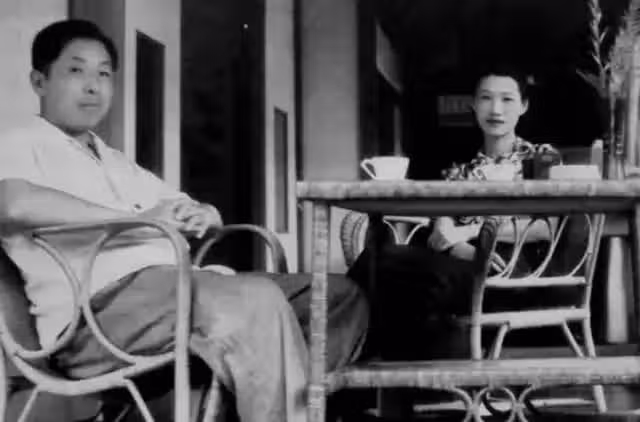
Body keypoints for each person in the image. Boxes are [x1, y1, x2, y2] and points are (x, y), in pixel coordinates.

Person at [0, 19, 368, 422]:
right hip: (96, 317)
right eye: (76, 70)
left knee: (337, 297)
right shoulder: (20, 141)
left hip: (175, 292)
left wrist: (202, 214)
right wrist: (136, 220)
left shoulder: (114, 160)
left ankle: (256, 411)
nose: (93, 86)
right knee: (254, 300)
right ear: (39, 81)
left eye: (104, 74)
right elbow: (13, 204)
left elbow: (183, 205)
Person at [348, 64, 562, 360]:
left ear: (524, 106)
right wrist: (461, 246)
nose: (495, 109)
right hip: (461, 264)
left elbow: (545, 227)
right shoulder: (459, 171)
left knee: (409, 281)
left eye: (507, 99)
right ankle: (390, 366)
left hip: (510, 271)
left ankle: (372, 365)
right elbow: (441, 234)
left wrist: (471, 234)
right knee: (375, 263)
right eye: (486, 98)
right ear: (473, 105)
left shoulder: (541, 158)